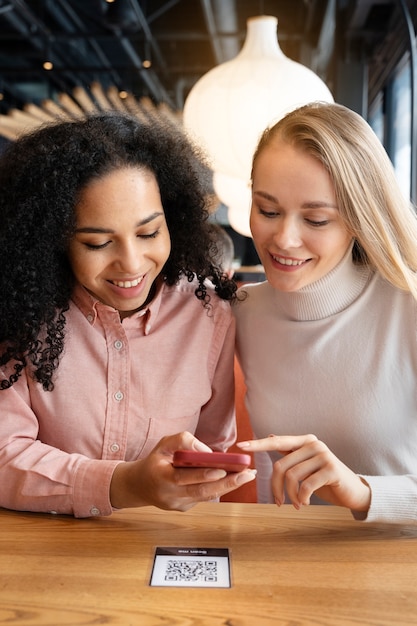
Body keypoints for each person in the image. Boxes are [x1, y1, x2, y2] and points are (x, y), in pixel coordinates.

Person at [0, 111, 256, 518]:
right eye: (99, 243)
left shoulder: (209, 315)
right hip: (39, 556)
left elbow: (211, 450)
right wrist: (125, 484)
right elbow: (4, 455)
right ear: (55, 241)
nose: (132, 263)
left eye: (149, 233)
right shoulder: (20, 314)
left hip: (160, 548)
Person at [234, 101, 417, 524]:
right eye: (268, 211)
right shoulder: (243, 313)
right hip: (283, 563)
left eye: (315, 219)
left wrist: (362, 491)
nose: (284, 239)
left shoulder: (406, 310)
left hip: (397, 571)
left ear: (359, 219)